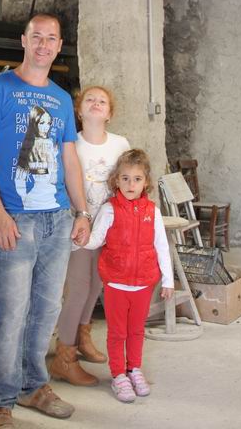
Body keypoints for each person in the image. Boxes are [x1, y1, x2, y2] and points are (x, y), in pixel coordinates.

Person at [0, 13, 92, 429]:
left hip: (57, 219)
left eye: (51, 38)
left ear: (59, 46)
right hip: (15, 219)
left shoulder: (60, 99)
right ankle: (0, 402)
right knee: (10, 315)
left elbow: (69, 159)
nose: (43, 44)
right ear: (23, 41)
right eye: (36, 37)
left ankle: (33, 386)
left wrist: (82, 211)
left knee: (45, 311)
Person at [50, 86, 130, 387]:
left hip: (109, 228)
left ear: (109, 113)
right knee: (79, 289)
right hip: (79, 226)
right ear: (79, 110)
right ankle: (64, 356)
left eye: (103, 101)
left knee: (97, 284)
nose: (96, 103)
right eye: (90, 99)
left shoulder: (120, 144)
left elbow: (129, 183)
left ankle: (82, 336)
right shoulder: (70, 142)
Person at [83, 149, 175, 404]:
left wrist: (168, 280)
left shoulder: (152, 211)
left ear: (146, 182)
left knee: (136, 331)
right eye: (125, 178)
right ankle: (118, 375)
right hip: (116, 283)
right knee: (117, 333)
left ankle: (134, 369)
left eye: (137, 179)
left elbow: (161, 246)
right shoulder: (109, 210)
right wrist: (78, 239)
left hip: (144, 284)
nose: (130, 184)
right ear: (116, 180)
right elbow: (96, 240)